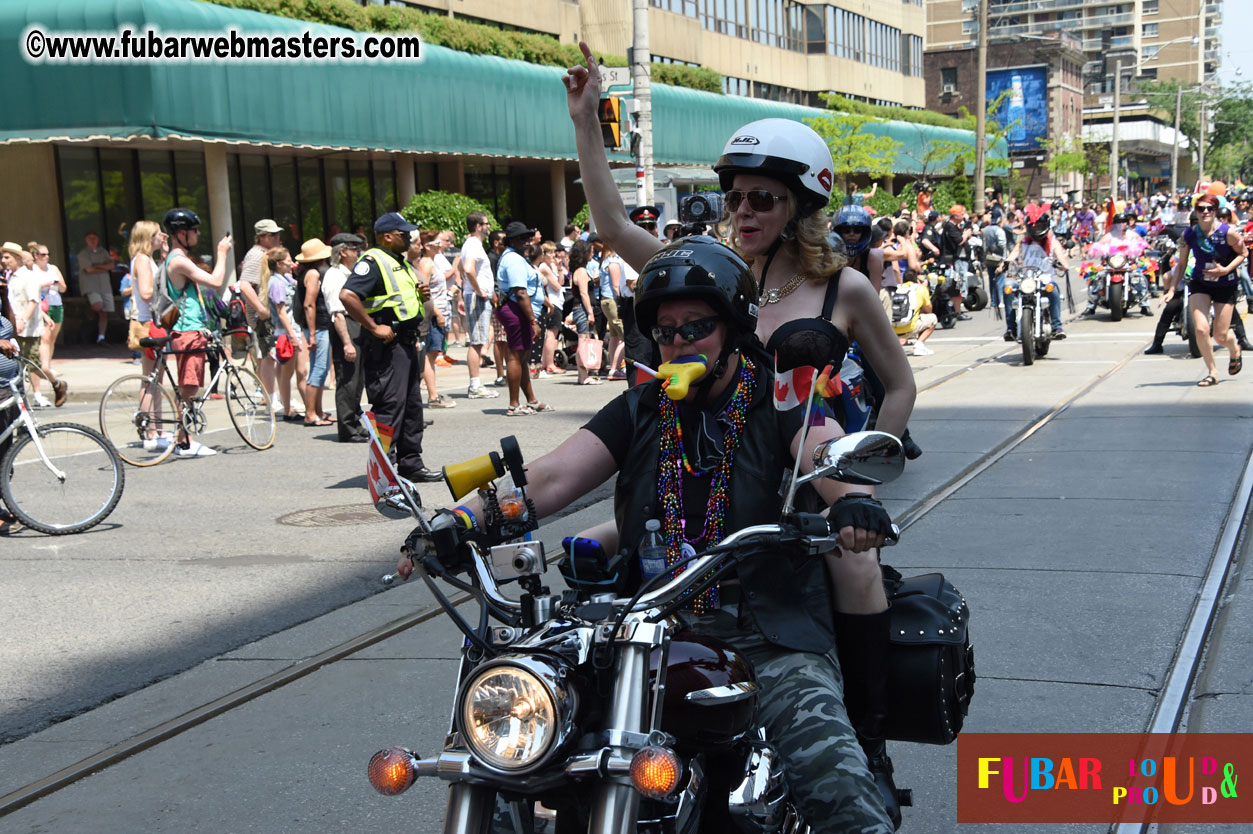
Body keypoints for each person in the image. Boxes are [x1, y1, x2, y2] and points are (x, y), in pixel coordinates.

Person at [393, 238, 897, 833]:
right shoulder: (640, 408)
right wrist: (462, 519)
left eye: (696, 327)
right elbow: (551, 475)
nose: (679, 343)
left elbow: (822, 450)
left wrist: (853, 507)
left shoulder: (778, 396)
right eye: (666, 332)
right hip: (643, 630)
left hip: (767, 630)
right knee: (518, 751)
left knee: (840, 790)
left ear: (734, 327)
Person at [564, 44, 916, 826]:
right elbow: (611, 221)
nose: (743, 213)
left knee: (859, 573)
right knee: (585, 551)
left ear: (800, 205)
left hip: (806, 478)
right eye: (735, 197)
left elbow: (898, 385)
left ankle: (865, 732)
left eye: (762, 199)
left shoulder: (842, 287)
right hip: (699, 480)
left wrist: (867, 476)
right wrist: (587, 120)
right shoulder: (704, 271)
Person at [339, 213, 441, 482]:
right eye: (403, 234)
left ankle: (410, 464)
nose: (409, 238)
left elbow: (394, 299)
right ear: (387, 236)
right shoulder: (372, 262)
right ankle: (381, 472)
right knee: (389, 408)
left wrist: (420, 296)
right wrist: (373, 327)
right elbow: (347, 296)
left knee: (411, 408)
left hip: (405, 344)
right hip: (386, 345)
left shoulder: (399, 262)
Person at [159, 209, 233, 457]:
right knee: (189, 388)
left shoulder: (176, 257)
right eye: (195, 230)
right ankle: (184, 441)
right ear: (182, 233)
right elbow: (215, 280)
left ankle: (184, 438)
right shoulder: (178, 260)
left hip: (190, 328)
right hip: (187, 329)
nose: (198, 234)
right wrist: (222, 253)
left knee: (188, 387)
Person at [1171, 193, 1248, 386]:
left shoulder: (1228, 233)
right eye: (1201, 209)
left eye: (1209, 208)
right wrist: (1172, 289)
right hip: (1200, 282)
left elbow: (1243, 253)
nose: (1205, 212)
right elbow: (1181, 265)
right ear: (1196, 212)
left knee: (1220, 336)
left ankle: (1235, 349)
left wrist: (1226, 270)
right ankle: (1212, 372)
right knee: (1200, 328)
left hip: (1225, 284)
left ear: (1215, 211)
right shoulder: (1188, 235)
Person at [494, 222, 553, 415]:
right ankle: (513, 404)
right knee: (515, 355)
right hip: (515, 309)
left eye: (528, 238)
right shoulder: (514, 260)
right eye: (522, 238)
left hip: (519, 310)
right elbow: (520, 292)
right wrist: (533, 321)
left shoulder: (519, 258)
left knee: (523, 357)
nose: (527, 242)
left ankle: (531, 400)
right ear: (512, 241)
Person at [4, 241, 67, 409]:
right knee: (19, 368)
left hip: (27, 329)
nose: (3, 260)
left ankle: (57, 383)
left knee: (31, 364)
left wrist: (22, 320)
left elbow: (33, 301)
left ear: (17, 258)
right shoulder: (9, 276)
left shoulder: (28, 276)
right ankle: (22, 407)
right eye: (2, 257)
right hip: (13, 327)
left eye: (7, 257)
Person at [323, 233, 369, 442]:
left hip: (355, 324)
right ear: (342, 252)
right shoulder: (334, 275)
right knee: (348, 380)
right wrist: (347, 343)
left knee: (357, 380)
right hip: (345, 327)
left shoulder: (348, 273)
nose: (357, 252)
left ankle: (354, 423)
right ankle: (347, 427)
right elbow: (337, 312)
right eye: (353, 248)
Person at [1005, 205, 1068, 340]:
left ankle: (1057, 326)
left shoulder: (1052, 243)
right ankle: (1011, 328)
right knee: (1008, 290)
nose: (1036, 230)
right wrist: (1003, 264)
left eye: (1039, 227)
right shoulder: (1023, 243)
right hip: (1026, 279)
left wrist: (1062, 265)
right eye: (1033, 227)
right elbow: (1012, 255)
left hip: (1045, 280)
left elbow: (1062, 259)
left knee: (1054, 291)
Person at [295, 238, 336, 426]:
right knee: (318, 370)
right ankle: (311, 413)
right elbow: (309, 304)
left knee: (321, 368)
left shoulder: (308, 272)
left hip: (318, 326)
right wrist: (311, 334)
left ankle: (318, 411)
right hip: (317, 326)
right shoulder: (312, 274)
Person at [413, 230, 455, 410]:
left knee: (432, 354)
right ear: (427, 246)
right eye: (437, 243)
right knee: (429, 356)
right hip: (431, 316)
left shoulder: (433, 262)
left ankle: (433, 394)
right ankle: (433, 396)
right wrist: (437, 314)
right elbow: (424, 292)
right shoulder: (426, 264)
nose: (440, 246)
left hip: (438, 313)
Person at [460, 212, 500, 399]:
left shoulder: (473, 244)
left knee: (478, 340)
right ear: (478, 226)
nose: (488, 227)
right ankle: (475, 385)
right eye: (486, 223)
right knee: (476, 341)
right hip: (476, 297)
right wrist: (478, 290)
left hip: (476, 295)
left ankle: (476, 384)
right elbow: (468, 269)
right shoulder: (473, 244)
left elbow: (464, 269)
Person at [237, 219, 281, 389]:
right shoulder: (257, 254)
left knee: (268, 356)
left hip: (269, 314)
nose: (277, 237)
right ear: (261, 237)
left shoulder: (265, 253)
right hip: (264, 316)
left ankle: (270, 396)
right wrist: (261, 310)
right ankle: (271, 398)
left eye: (278, 233)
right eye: (273, 234)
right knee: (270, 356)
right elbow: (245, 284)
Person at [1085, 212, 1152, 317]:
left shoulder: (1132, 235)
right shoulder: (1109, 235)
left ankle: (1145, 305)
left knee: (1140, 278)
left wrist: (1146, 245)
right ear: (1115, 224)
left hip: (1128, 263)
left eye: (1124, 222)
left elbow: (1142, 242)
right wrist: (1092, 248)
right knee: (1097, 278)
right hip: (1111, 263)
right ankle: (1091, 306)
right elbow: (1099, 244)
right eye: (1119, 222)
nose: (1122, 224)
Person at [567, 239, 602, 385]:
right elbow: (583, 293)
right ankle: (583, 375)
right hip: (581, 308)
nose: (592, 253)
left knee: (584, 340)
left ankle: (583, 374)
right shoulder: (581, 271)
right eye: (590, 251)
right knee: (583, 340)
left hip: (580, 308)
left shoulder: (578, 270)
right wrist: (590, 312)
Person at [29, 242, 66, 374]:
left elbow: (63, 287)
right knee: (45, 337)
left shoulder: (53, 268)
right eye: (43, 254)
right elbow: (30, 288)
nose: (46, 257)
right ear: (36, 255)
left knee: (52, 338)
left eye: (48, 254)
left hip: (56, 304)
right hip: (43, 305)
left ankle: (48, 365)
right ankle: (44, 367)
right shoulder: (32, 270)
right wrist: (46, 283)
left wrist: (57, 283)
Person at [76, 231, 116, 344]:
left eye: (95, 238)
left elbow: (111, 265)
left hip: (105, 286)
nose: (92, 240)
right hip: (91, 286)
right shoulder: (83, 254)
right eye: (90, 238)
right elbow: (89, 269)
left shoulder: (103, 252)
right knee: (98, 306)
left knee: (105, 312)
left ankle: (101, 337)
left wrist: (96, 266)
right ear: (86, 240)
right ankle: (89, 321)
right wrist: (103, 267)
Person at [536, 241, 565, 377]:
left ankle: (549, 362)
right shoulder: (543, 267)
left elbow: (562, 281)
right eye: (551, 252)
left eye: (555, 252)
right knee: (551, 335)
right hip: (552, 303)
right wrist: (556, 269)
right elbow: (557, 286)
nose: (554, 255)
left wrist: (559, 268)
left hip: (558, 302)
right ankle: (549, 363)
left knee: (554, 334)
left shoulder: (550, 267)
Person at [892, 269, 937, 355]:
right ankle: (919, 345)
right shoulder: (920, 289)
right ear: (916, 279)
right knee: (933, 318)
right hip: (910, 328)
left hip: (892, 329)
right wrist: (925, 288)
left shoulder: (895, 288)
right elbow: (929, 310)